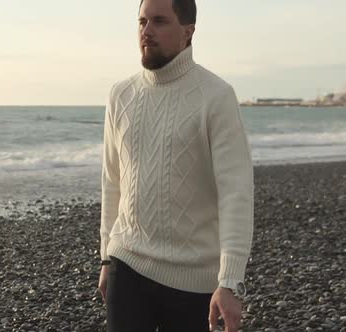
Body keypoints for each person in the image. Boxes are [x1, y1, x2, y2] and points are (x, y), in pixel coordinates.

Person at [96, 0, 253, 331]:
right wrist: (106, 257)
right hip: (127, 263)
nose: (146, 31)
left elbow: (235, 193)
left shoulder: (216, 96)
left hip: (194, 280)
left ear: (188, 31)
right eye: (141, 21)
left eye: (159, 21)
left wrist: (229, 282)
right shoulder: (120, 95)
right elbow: (112, 181)